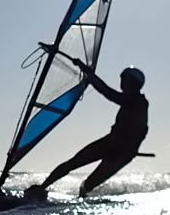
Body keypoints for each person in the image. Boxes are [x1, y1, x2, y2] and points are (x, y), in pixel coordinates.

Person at [26, 61, 148, 198]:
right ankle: (41, 188)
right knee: (72, 163)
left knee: (88, 185)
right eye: (122, 79)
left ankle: (80, 202)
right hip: (110, 143)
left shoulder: (139, 102)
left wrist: (90, 75)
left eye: (125, 80)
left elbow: (108, 93)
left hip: (122, 154)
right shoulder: (130, 101)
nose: (122, 82)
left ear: (134, 84)